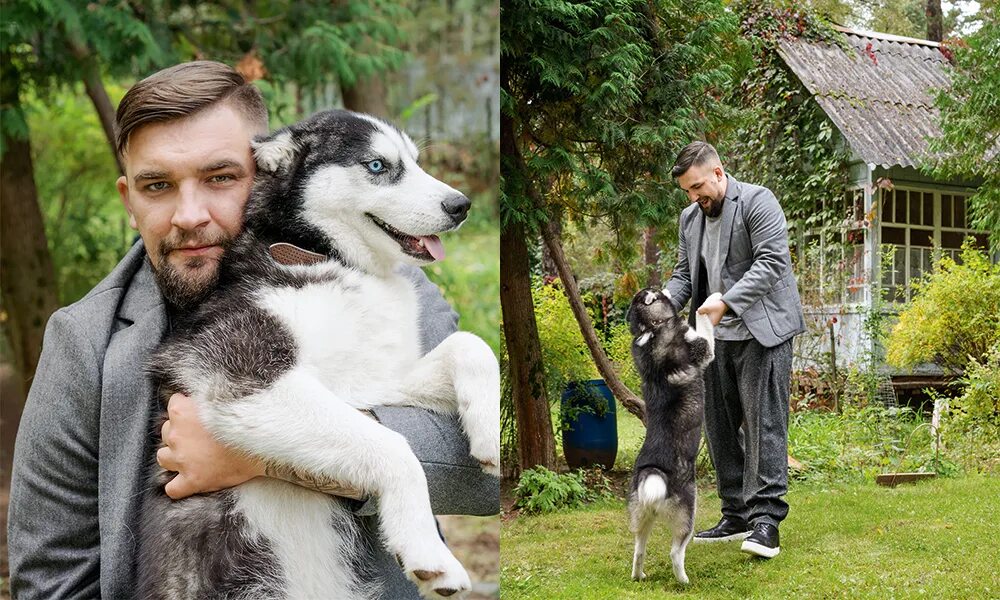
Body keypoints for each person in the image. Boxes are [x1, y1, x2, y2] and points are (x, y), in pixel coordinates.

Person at [7, 61, 498, 598]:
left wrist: (259, 456)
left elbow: (477, 477)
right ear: (130, 201)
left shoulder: (389, 280)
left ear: (268, 170)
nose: (189, 215)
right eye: (158, 185)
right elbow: (51, 573)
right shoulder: (83, 338)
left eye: (220, 177)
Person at [663, 141, 804, 558]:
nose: (694, 197)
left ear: (719, 173)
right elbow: (684, 276)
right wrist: (662, 305)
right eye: (688, 191)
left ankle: (766, 522)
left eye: (698, 187)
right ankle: (736, 512)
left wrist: (727, 302)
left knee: (764, 425)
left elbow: (771, 262)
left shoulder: (759, 202)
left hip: (764, 332)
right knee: (720, 427)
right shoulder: (691, 218)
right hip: (714, 338)